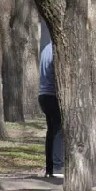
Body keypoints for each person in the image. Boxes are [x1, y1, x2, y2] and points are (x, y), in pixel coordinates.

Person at [38, 42, 64, 178]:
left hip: (44, 94)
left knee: (52, 132)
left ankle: (50, 168)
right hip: (53, 94)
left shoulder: (46, 49)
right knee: (59, 131)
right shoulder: (57, 49)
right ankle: (58, 167)